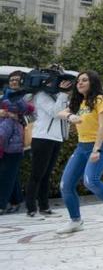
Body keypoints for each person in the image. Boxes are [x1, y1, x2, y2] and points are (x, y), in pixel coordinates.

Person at [55, 71, 103, 234]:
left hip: (101, 144)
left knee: (91, 181)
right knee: (65, 185)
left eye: (84, 80)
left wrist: (96, 150)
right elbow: (59, 113)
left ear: (93, 82)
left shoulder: (99, 99)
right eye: (78, 81)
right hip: (82, 147)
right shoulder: (78, 101)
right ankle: (76, 221)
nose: (79, 83)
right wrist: (70, 116)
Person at [26, 68, 71, 218]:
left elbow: (67, 112)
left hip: (56, 138)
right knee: (37, 174)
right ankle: (31, 209)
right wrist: (63, 94)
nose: (57, 83)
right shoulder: (41, 95)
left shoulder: (57, 95)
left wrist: (65, 95)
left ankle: (44, 207)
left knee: (46, 174)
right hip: (42, 138)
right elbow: (56, 113)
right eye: (54, 80)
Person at [0, 71, 33, 214]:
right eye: (11, 79)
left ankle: (1, 205)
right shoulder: (4, 96)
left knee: (6, 175)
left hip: (17, 142)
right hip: (4, 139)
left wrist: (16, 116)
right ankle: (16, 200)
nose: (14, 82)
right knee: (10, 174)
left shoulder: (28, 97)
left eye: (17, 80)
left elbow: (34, 117)